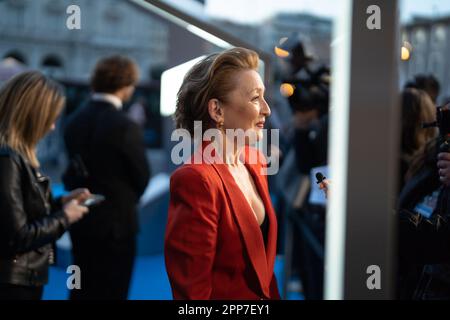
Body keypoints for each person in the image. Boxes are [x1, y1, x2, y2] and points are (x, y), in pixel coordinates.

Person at [164, 47, 280, 299]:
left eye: (264, 97)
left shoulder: (256, 162)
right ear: (217, 110)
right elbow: (192, 295)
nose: (266, 109)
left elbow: (262, 269)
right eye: (254, 98)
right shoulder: (196, 179)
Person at [62, 55, 151, 300]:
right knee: (113, 291)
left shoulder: (73, 122)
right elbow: (141, 177)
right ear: (126, 86)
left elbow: (72, 171)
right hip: (117, 228)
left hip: (80, 220)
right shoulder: (125, 125)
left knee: (81, 290)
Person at [0, 71, 90, 300]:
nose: (51, 128)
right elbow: (16, 236)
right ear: (31, 116)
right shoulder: (8, 159)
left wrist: (61, 203)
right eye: (49, 119)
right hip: (13, 284)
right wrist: (65, 217)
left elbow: (20, 209)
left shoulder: (15, 157)